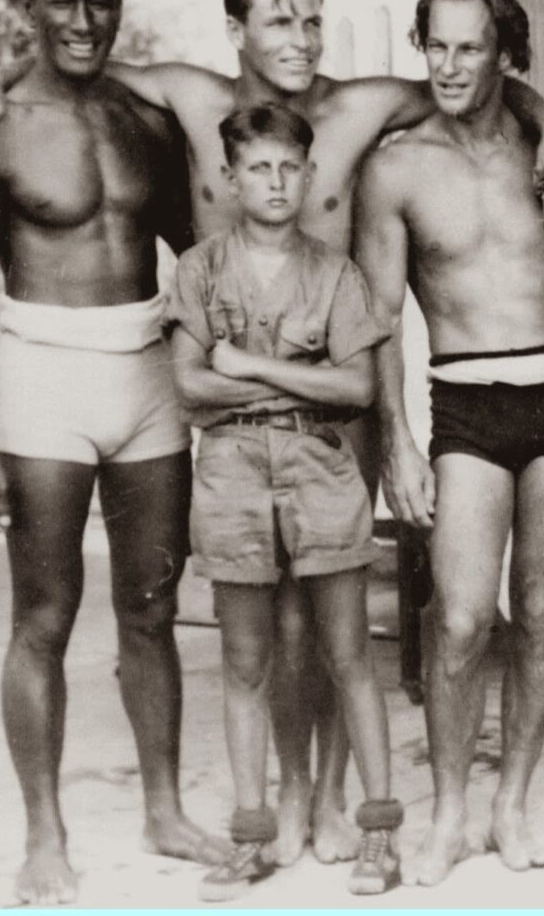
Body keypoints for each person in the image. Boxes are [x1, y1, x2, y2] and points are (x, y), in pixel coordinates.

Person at [0, 0, 544, 867]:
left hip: (334, 398)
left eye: (310, 20)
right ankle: (284, 794)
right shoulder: (190, 96)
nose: (300, 40)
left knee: (332, 615)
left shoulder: (361, 106)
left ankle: (328, 797)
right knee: (262, 619)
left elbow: (471, 81)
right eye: (278, 22)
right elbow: (76, 55)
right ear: (235, 30)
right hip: (227, 409)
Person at [0, 0, 230, 906]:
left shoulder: (145, 117)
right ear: (27, 2)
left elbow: (199, 253)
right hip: (44, 381)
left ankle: (163, 809)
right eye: (61, 0)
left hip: (144, 376)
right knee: (44, 617)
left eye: (99, 0)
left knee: (151, 608)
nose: (82, 19)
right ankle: (44, 835)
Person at [355, 0, 544, 888]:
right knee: (463, 617)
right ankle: (447, 814)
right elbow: (380, 320)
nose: (447, 65)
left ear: (503, 53)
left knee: (543, 610)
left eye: (468, 47)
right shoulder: (396, 167)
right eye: (434, 45)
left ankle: (510, 801)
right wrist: (396, 442)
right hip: (465, 406)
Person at [166, 103, 402, 899]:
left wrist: (249, 367)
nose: (274, 182)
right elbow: (188, 384)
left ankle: (377, 830)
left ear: (307, 176)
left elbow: (357, 386)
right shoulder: (200, 268)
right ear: (230, 180)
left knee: (349, 654)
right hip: (230, 473)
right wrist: (295, 381)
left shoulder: (335, 273)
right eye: (257, 169)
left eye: (288, 168)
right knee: (244, 662)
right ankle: (251, 836)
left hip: (320, 469)